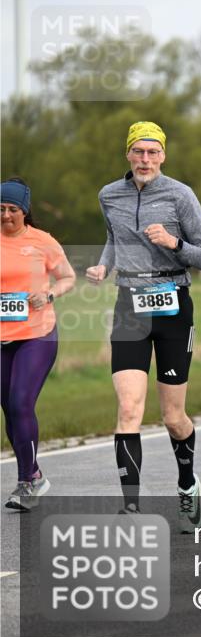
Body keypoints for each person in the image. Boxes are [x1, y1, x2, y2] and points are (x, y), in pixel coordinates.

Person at [85, 122, 201, 530]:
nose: (145, 159)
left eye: (153, 152)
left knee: (173, 417)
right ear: (128, 153)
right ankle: (131, 509)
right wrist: (104, 265)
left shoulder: (181, 195)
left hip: (173, 305)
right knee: (128, 409)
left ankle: (187, 483)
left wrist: (173, 243)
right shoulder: (109, 194)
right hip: (130, 304)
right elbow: (114, 238)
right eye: (138, 151)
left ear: (163, 155)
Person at [1, 178, 76, 511]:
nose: (6, 215)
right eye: (0, 209)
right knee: (9, 409)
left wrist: (48, 294)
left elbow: (68, 277)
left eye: (12, 209)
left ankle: (27, 481)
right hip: (2, 338)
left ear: (24, 210)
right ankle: (33, 473)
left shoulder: (42, 241)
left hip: (37, 334)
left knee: (20, 402)